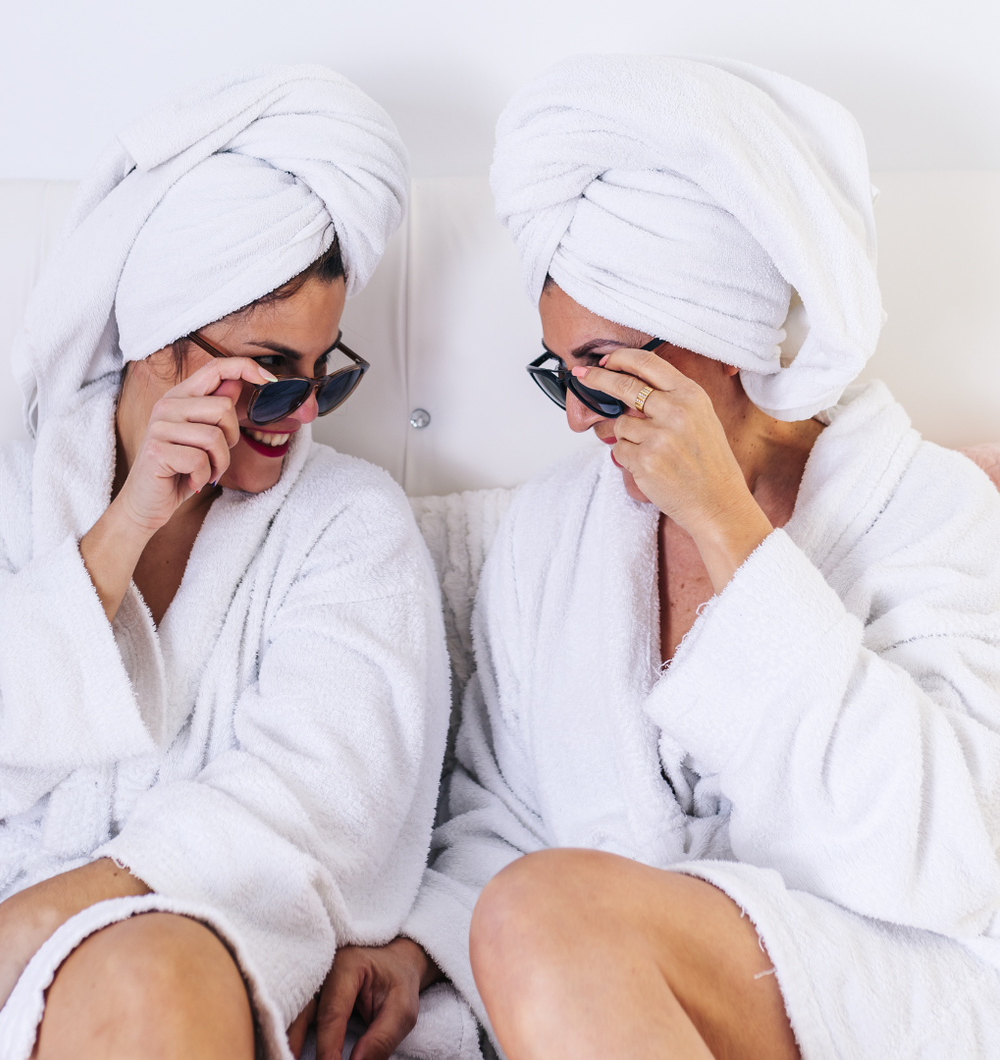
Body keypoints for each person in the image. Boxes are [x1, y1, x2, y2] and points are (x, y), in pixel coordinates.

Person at [316, 57, 1000, 1060]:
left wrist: (729, 527)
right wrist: (421, 942)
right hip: (623, 981)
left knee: (540, 912)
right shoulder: (556, 536)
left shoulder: (925, 508)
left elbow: (953, 855)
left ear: (721, 342)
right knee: (530, 910)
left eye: (611, 376)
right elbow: (502, 807)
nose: (583, 421)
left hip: (879, 971)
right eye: (562, 376)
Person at [0, 67, 451, 1060]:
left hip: (220, 938)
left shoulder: (349, 521)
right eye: (269, 378)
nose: (298, 416)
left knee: (148, 969)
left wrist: (43, 921)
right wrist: (120, 533)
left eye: (323, 377)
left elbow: (321, 801)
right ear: (162, 351)